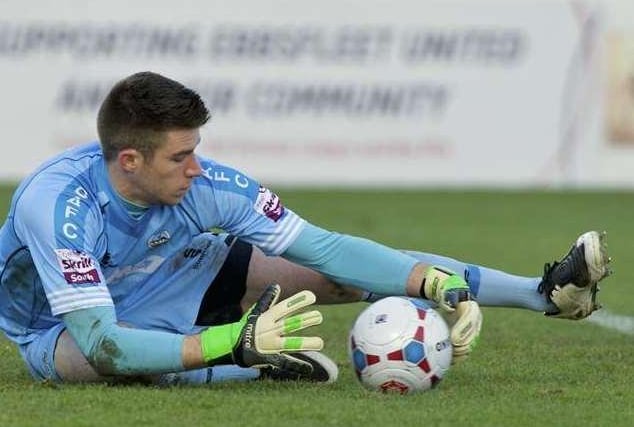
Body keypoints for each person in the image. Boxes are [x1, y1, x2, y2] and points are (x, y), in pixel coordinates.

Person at [0, 71, 612, 386]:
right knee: (95, 363)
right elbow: (106, 340)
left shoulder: (210, 184)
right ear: (128, 161)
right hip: (59, 325)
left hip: (178, 270)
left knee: (334, 276)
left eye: (197, 150)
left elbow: (328, 248)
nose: (196, 167)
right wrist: (227, 341)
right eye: (179, 157)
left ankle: (546, 295)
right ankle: (249, 365)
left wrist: (432, 282)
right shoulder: (58, 208)